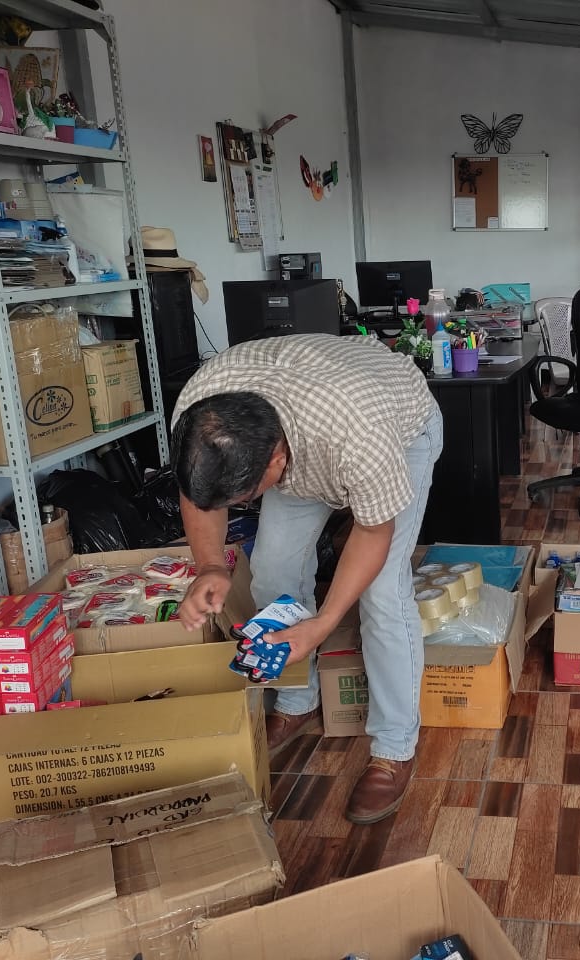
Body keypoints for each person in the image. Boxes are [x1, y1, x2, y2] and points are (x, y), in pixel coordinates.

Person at [171, 333, 442, 825]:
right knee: (272, 568)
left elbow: (373, 533)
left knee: (383, 592)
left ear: (276, 460)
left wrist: (323, 623)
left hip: (400, 430)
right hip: (309, 428)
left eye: (244, 498)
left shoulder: (359, 435)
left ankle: (394, 748)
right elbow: (200, 494)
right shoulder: (199, 416)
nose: (236, 508)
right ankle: (297, 700)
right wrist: (210, 565)